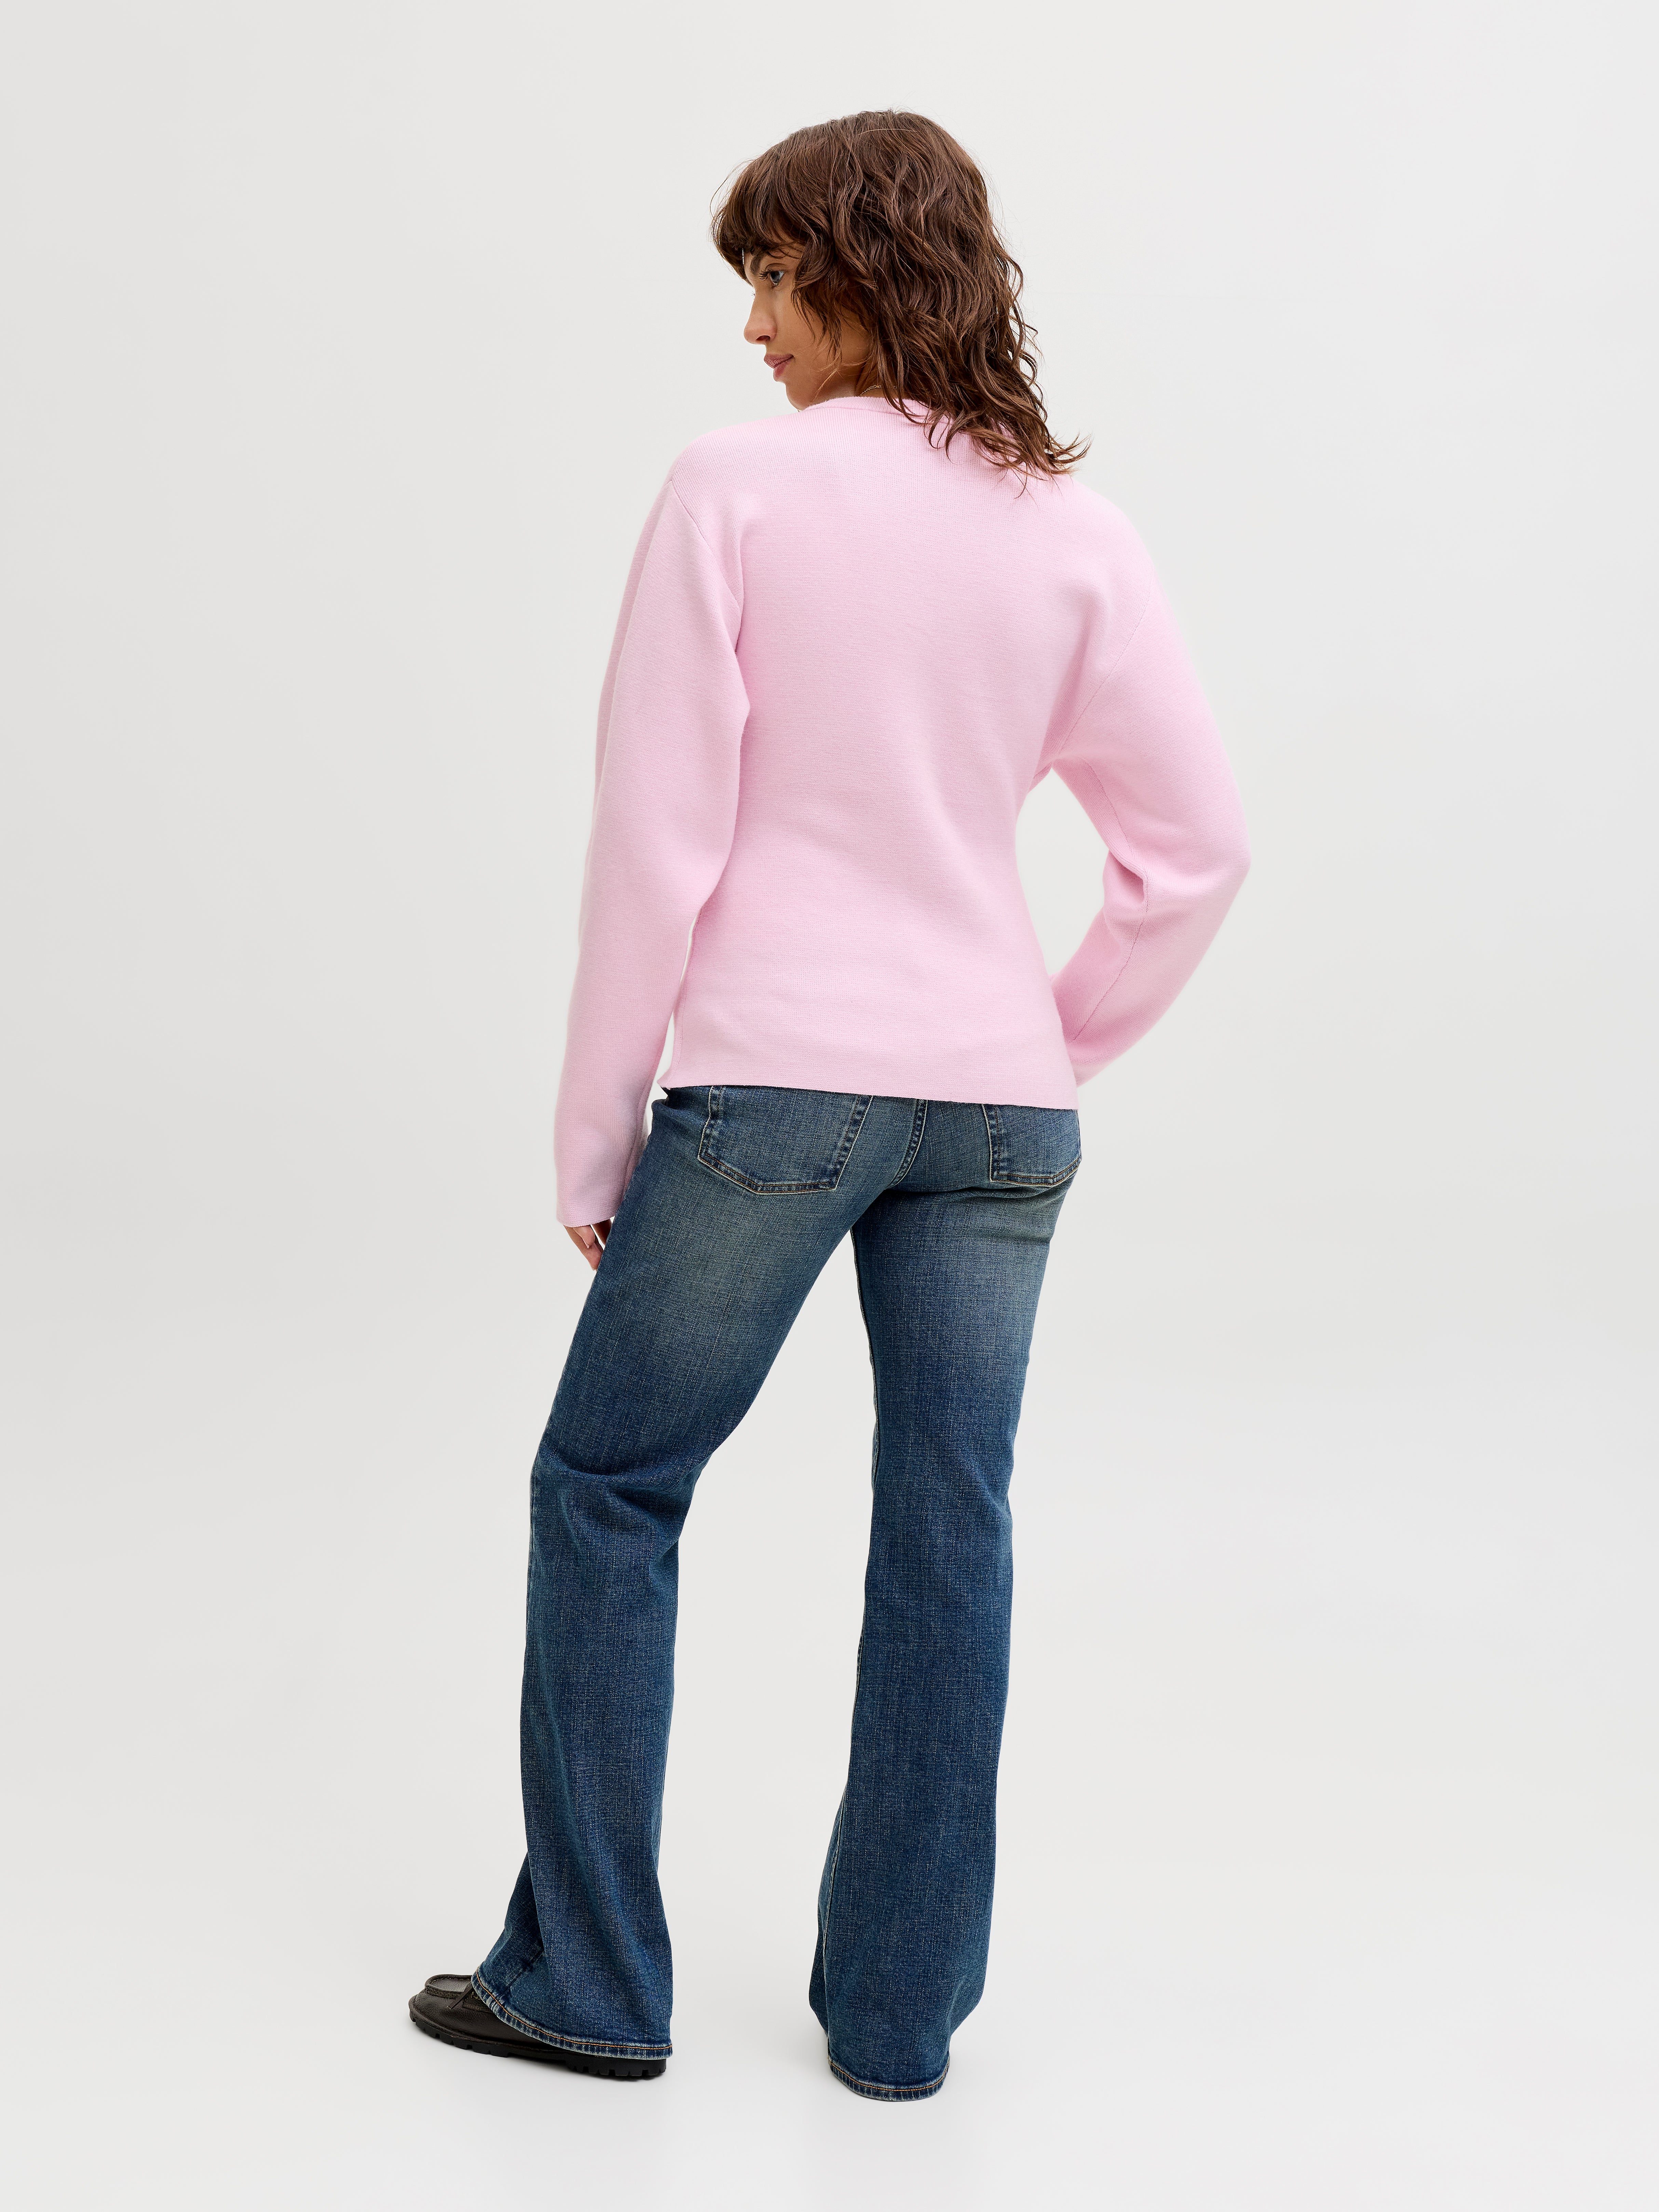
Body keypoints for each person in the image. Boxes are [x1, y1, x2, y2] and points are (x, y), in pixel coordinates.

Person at [409, 109, 1249, 2103]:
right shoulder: (1074, 531)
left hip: (774, 1084)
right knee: (951, 1529)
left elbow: (657, 838)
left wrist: (596, 1127)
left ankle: (586, 1979)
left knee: (610, 1489)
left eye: (777, 278)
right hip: (997, 1114)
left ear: (862, 271)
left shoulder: (737, 491)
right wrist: (1035, 1043)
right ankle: (893, 2024)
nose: (754, 325)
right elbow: (1195, 856)